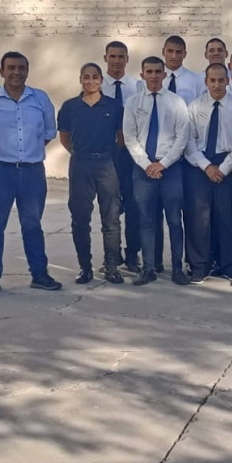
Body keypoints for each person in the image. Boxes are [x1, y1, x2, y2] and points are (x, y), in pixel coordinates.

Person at [0, 51, 61, 294]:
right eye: (10, 68)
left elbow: (48, 132)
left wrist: (26, 154)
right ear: (2, 71)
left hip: (32, 172)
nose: (16, 72)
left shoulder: (40, 99)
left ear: (27, 71)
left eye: (21, 68)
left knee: (32, 225)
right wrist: (5, 152)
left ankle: (39, 273)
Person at [123, 56, 193, 286]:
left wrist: (162, 165)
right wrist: (147, 165)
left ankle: (177, 269)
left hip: (170, 169)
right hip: (143, 170)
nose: (153, 76)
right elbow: (130, 137)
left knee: (174, 220)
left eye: (157, 71)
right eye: (149, 71)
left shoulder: (176, 102)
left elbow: (182, 138)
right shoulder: (133, 103)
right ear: (142, 74)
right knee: (146, 220)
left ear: (164, 74)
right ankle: (149, 268)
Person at [58, 63, 125, 285]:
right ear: (80, 80)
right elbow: (65, 137)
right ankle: (85, 268)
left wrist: (105, 156)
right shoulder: (70, 107)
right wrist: (81, 154)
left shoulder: (114, 106)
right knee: (80, 218)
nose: (90, 81)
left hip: (106, 163)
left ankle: (112, 267)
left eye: (95, 77)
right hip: (80, 164)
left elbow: (121, 136)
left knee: (111, 218)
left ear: (101, 80)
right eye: (86, 77)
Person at [184, 63, 232, 283]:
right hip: (200, 165)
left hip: (227, 164)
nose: (217, 84)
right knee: (198, 218)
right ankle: (199, 265)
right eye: (213, 80)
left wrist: (223, 168)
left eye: (221, 80)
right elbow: (188, 140)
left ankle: (229, 264)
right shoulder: (194, 106)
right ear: (206, 82)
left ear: (228, 81)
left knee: (226, 216)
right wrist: (206, 166)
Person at [101, 41, 148, 273]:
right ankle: (111, 255)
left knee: (134, 206)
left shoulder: (137, 87)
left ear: (127, 59)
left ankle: (133, 255)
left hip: (131, 155)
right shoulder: (97, 86)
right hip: (106, 156)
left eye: (121, 56)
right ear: (105, 58)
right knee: (109, 207)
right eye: (113, 56)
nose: (117, 61)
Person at [162, 36, 204, 105]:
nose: (174, 56)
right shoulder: (154, 79)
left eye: (178, 52)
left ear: (185, 54)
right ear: (163, 52)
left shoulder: (196, 81)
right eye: (170, 51)